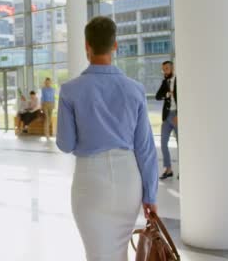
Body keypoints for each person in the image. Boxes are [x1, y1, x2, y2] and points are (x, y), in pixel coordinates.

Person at [56, 16, 158, 261]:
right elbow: (145, 148)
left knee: (98, 255)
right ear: (115, 46)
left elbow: (65, 144)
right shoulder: (135, 89)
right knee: (120, 253)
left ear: (86, 46)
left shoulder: (70, 90)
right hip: (128, 183)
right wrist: (150, 195)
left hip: (90, 183)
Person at [155, 61, 177, 180]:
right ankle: (168, 169)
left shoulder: (179, 81)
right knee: (163, 143)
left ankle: (183, 170)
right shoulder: (165, 82)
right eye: (163, 69)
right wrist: (167, 94)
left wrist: (179, 115)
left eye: (167, 69)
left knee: (181, 145)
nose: (165, 71)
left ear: (172, 68)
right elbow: (157, 96)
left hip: (176, 116)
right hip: (167, 117)